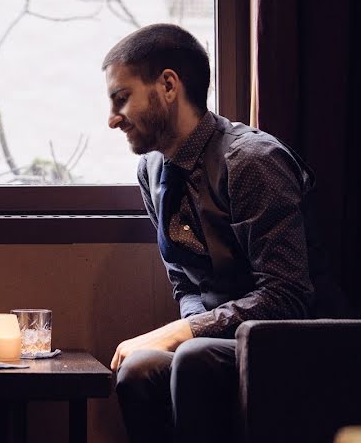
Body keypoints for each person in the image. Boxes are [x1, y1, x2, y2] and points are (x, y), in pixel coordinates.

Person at [102, 23, 328, 442]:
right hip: (212, 341)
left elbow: (288, 295)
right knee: (137, 369)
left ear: (168, 84)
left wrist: (183, 333)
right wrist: (189, 328)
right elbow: (183, 282)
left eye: (122, 98)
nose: (113, 119)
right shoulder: (150, 171)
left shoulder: (250, 161)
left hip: (291, 340)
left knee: (192, 356)